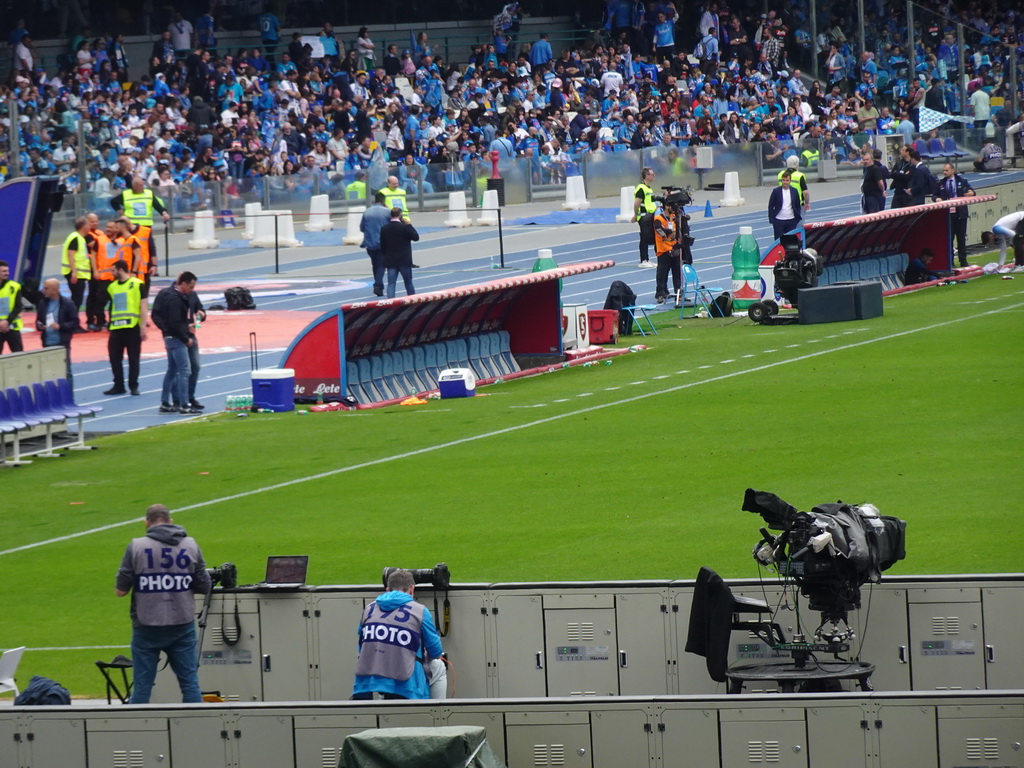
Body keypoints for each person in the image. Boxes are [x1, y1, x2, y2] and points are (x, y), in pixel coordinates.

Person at [115, 504, 211, 704]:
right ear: (170, 521)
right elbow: (204, 586)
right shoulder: (191, 545)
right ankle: (199, 730)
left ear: (146, 522)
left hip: (146, 625)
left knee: (142, 688)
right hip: (182, 624)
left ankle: (136, 731)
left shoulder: (136, 546)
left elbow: (120, 591)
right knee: (190, 685)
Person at [352, 568, 445, 700]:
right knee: (439, 666)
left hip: (368, 681)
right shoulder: (420, 611)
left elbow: (362, 648)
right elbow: (436, 652)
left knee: (384, 677)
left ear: (387, 589)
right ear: (412, 589)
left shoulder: (368, 609)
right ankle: (436, 714)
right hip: (405, 682)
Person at [151, 271, 200, 415]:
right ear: (183, 284)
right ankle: (184, 404)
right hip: (177, 338)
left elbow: (158, 315)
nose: (192, 290)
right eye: (190, 286)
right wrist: (186, 338)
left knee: (172, 370)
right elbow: (175, 323)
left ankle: (165, 403)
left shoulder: (166, 294)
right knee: (185, 370)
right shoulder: (176, 299)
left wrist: (165, 330)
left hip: (170, 337)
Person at [104, 259, 147, 396]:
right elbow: (112, 308)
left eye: (113, 270)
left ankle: (133, 386)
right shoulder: (112, 287)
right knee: (114, 357)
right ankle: (118, 385)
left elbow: (143, 307)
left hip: (132, 326)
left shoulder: (137, 284)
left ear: (120, 270)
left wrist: (143, 327)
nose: (112, 273)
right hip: (116, 327)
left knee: (133, 358)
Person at [34, 278, 79, 380]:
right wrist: (40, 325)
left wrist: (60, 326)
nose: (43, 290)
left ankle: (68, 395)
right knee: (48, 373)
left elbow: (75, 323)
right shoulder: (43, 303)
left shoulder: (67, 304)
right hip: (47, 343)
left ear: (55, 290)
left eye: (46, 288)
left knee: (66, 373)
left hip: (62, 344)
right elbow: (38, 320)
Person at [934, 163, 975, 268]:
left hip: (960, 213)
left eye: (946, 170)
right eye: (943, 170)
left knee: (961, 239)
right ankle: (950, 262)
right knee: (949, 239)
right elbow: (934, 194)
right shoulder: (941, 183)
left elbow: (971, 191)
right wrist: (936, 199)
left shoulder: (962, 181)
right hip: (948, 215)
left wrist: (971, 193)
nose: (944, 172)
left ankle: (963, 261)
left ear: (953, 170)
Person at [380, 208, 419, 299]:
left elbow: (382, 245)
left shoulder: (384, 228)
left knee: (391, 283)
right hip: (404, 260)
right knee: (408, 282)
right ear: (400, 214)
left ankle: (390, 302)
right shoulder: (404, 228)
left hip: (391, 260)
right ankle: (412, 300)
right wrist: (409, 225)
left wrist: (386, 256)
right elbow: (416, 237)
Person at [85, 212, 115, 330]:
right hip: (93, 269)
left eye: (96, 221)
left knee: (105, 297)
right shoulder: (87, 234)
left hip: (104, 270)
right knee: (94, 296)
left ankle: (103, 320)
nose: (95, 223)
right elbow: (95, 246)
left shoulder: (100, 234)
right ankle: (92, 320)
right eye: (92, 221)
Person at [653, 195, 684, 306]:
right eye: (671, 206)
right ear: (666, 206)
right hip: (663, 250)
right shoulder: (659, 219)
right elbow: (659, 230)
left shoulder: (674, 217)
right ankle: (660, 293)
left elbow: (679, 231)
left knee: (677, 272)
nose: (673, 208)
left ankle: (678, 292)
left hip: (674, 247)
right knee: (662, 274)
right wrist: (669, 232)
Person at [359, 191, 391, 297]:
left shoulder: (367, 212)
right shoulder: (387, 212)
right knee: (382, 265)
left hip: (370, 243)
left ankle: (379, 286)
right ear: (383, 201)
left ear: (375, 201)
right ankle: (378, 285)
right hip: (383, 243)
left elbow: (362, 228)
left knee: (375, 265)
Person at [61, 217, 91, 316]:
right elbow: (71, 254)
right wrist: (74, 272)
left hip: (79, 274)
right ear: (84, 226)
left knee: (77, 299)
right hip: (75, 274)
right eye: (88, 224)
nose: (90, 226)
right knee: (76, 299)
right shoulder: (76, 237)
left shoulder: (79, 237)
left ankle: (73, 320)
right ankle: (73, 321)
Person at [631, 167, 657, 268]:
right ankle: (643, 260)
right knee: (644, 238)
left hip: (651, 215)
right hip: (644, 216)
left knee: (649, 237)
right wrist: (636, 214)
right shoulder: (641, 188)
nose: (654, 176)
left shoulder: (648, 188)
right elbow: (637, 203)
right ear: (647, 176)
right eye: (652, 174)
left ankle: (647, 259)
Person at [768, 171, 802, 240]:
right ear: (781, 181)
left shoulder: (794, 191)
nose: (785, 182)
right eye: (783, 180)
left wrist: (796, 219)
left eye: (787, 180)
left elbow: (797, 205)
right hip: (779, 221)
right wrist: (772, 219)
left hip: (791, 220)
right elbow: (771, 205)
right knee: (778, 241)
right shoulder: (776, 191)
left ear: (790, 181)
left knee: (790, 241)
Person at [0, 260, 24, 354]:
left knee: (18, 355)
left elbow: (18, 306)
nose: (7, 273)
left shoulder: (14, 286)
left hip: (12, 327)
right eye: (4, 271)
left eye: (7, 271)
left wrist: (7, 322)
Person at [860, 148, 887, 213]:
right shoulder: (866, 169)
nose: (865, 161)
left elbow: (880, 182)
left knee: (873, 213)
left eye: (867, 159)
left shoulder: (875, 169)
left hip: (874, 196)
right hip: (867, 196)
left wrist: (883, 190)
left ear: (871, 160)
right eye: (864, 160)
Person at [889, 144, 913, 209]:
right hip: (897, 192)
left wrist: (898, 174)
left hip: (907, 193)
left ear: (907, 152)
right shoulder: (899, 162)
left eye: (903, 150)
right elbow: (891, 174)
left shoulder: (912, 164)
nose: (901, 152)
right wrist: (901, 174)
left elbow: (907, 177)